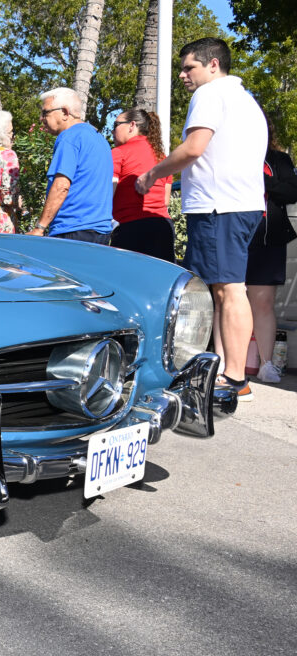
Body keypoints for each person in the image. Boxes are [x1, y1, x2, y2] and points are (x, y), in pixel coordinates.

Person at [136, 37, 268, 400]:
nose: (183, 75)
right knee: (223, 290)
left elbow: (194, 148)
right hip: (238, 205)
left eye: (188, 67)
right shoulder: (245, 100)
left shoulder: (210, 95)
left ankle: (236, 378)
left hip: (219, 207)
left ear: (213, 65)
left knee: (228, 289)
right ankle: (225, 369)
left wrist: (152, 175)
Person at [246, 114, 297, 383]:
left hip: (267, 239)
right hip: (234, 237)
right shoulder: (230, 156)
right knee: (229, 300)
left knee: (263, 303)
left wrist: (262, 181)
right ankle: (228, 362)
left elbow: (292, 191)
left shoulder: (279, 160)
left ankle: (267, 364)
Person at [27, 87, 113, 243]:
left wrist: (40, 227)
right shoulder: (99, 139)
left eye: (45, 112)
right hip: (100, 231)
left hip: (72, 230)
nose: (41, 118)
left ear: (65, 112)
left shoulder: (69, 137)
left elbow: (61, 186)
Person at [109, 108, 174, 262]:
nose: (113, 131)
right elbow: (165, 200)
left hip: (130, 230)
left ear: (132, 126)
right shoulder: (161, 157)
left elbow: (108, 193)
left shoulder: (119, 153)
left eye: (116, 124)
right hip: (162, 227)